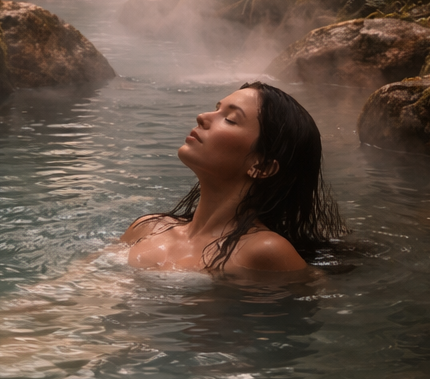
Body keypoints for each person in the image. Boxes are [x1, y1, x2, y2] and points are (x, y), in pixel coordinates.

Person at [121, 80, 346, 274]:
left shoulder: (264, 250)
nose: (202, 117)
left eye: (229, 119)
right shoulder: (147, 227)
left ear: (262, 166)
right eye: (216, 109)